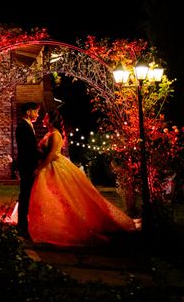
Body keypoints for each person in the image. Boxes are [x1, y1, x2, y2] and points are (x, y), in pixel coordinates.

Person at [28, 109, 138, 246]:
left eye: (45, 117)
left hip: (54, 167)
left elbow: (50, 155)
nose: (42, 119)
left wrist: (39, 168)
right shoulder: (49, 133)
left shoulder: (55, 135)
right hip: (50, 167)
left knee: (63, 194)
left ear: (50, 120)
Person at [15, 101, 41, 238]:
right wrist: (45, 155)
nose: (37, 114)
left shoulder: (28, 126)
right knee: (25, 195)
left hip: (29, 164)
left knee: (27, 194)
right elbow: (29, 149)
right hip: (27, 165)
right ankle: (22, 225)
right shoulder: (23, 127)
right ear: (28, 112)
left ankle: (24, 224)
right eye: (35, 111)